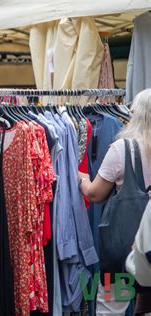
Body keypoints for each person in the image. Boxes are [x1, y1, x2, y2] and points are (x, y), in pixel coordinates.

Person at [78, 88, 151, 315]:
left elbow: (94, 194)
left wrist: (81, 177)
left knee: (111, 308)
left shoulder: (123, 149)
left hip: (122, 249)